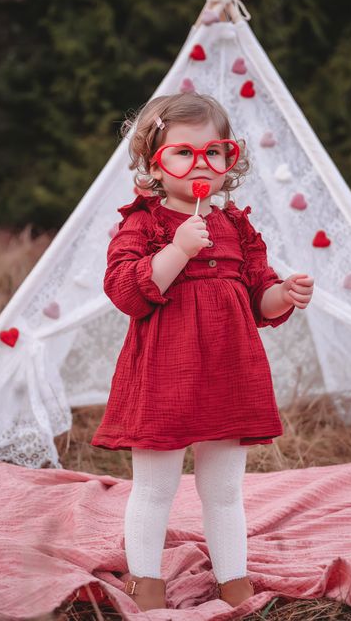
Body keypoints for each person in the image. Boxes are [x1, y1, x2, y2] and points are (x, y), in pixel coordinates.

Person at [91, 92, 314, 611]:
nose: (201, 165)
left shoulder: (235, 226)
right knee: (155, 488)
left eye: (213, 153)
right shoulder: (143, 224)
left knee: (223, 489)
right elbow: (126, 292)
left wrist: (285, 293)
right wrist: (178, 250)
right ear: (154, 163)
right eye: (182, 153)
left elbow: (258, 295)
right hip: (166, 376)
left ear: (229, 159)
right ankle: (146, 579)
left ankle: (233, 577)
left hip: (228, 373)